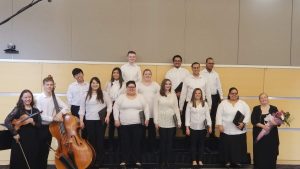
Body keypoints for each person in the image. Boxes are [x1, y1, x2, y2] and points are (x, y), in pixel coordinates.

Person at [36, 75, 69, 169]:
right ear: (43, 85)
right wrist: (53, 118)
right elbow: (39, 116)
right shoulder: (38, 98)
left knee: (46, 151)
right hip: (39, 127)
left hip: (50, 128)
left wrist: (60, 114)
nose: (50, 86)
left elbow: (66, 107)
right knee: (38, 151)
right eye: (48, 84)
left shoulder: (55, 97)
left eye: (51, 85)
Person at [113, 80, 149, 167]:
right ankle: (124, 160)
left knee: (136, 143)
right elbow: (115, 108)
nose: (131, 89)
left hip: (138, 124)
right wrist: (116, 119)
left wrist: (147, 118)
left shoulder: (140, 97)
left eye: (133, 87)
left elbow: (146, 107)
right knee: (124, 143)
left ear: (135, 88)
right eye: (130, 87)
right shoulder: (121, 97)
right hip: (124, 125)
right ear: (126, 88)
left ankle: (137, 160)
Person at [79, 77, 112, 167]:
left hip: (100, 121)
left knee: (100, 141)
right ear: (90, 84)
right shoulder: (85, 95)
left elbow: (110, 105)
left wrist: (108, 116)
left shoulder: (104, 94)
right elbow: (82, 109)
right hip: (89, 121)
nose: (95, 84)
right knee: (91, 141)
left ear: (99, 84)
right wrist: (81, 121)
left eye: (97, 83)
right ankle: (92, 160)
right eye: (93, 83)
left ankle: (100, 161)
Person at [4, 89, 41, 169]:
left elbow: (39, 125)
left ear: (32, 98)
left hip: (33, 140)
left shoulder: (36, 110)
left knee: (32, 161)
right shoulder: (18, 109)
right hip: (20, 139)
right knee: (18, 161)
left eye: (29, 97)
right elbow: (7, 121)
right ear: (22, 98)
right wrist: (15, 133)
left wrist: (32, 121)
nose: (28, 99)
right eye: (25, 97)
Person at [216, 87, 250, 168]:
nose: (234, 95)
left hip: (239, 131)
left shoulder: (243, 103)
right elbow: (218, 114)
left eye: (235, 93)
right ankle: (226, 161)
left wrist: (244, 123)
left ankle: (237, 161)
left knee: (237, 147)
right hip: (226, 130)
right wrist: (219, 125)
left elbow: (248, 113)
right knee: (226, 146)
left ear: (237, 94)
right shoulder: (223, 103)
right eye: (232, 93)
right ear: (229, 94)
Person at [154, 79, 181, 168]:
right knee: (162, 142)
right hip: (161, 121)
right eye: (166, 84)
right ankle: (162, 161)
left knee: (170, 142)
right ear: (163, 85)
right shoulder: (158, 95)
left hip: (171, 122)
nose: (168, 85)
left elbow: (176, 109)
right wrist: (156, 122)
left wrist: (179, 121)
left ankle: (168, 161)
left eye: (169, 84)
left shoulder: (173, 95)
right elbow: (155, 109)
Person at [179, 62, 212, 135]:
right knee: (187, 126)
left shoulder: (204, 78)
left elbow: (208, 93)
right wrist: (181, 107)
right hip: (189, 104)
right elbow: (183, 93)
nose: (196, 69)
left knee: (201, 126)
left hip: (202, 104)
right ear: (192, 68)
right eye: (194, 67)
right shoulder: (187, 79)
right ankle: (189, 144)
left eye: (197, 67)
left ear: (199, 68)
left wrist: (209, 106)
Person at [251, 93, 279, 169]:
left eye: (265, 97)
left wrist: (274, 123)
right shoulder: (256, 108)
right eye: (261, 98)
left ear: (268, 98)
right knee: (259, 154)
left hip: (271, 137)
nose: (263, 99)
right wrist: (263, 126)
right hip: (259, 136)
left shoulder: (274, 108)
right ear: (259, 100)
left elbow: (279, 121)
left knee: (271, 153)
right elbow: (253, 121)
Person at [185, 88, 212, 166]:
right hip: (192, 128)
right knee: (193, 144)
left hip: (202, 128)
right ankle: (194, 160)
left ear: (201, 94)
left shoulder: (205, 104)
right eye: (196, 93)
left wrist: (209, 126)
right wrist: (187, 127)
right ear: (194, 94)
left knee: (201, 144)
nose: (197, 94)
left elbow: (208, 116)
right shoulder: (189, 103)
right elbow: (187, 116)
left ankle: (200, 160)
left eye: (199, 93)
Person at [137, 69, 160, 152]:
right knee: (141, 132)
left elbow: (160, 96)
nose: (147, 75)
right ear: (143, 75)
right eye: (146, 74)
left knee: (152, 132)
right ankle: (142, 149)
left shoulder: (156, 85)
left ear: (151, 75)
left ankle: (152, 148)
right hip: (142, 113)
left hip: (152, 112)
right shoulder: (138, 85)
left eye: (149, 74)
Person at [201, 57, 223, 137]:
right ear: (206, 64)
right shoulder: (201, 73)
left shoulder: (216, 74)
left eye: (212, 63)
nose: (211, 65)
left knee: (213, 116)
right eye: (209, 63)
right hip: (205, 98)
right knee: (204, 116)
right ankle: (203, 134)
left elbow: (219, 86)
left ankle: (212, 134)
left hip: (214, 98)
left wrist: (221, 97)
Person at [105, 67, 125, 150]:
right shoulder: (109, 83)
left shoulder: (123, 83)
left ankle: (121, 146)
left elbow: (123, 95)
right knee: (111, 126)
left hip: (120, 106)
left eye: (117, 73)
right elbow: (106, 95)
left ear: (120, 74)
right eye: (114, 73)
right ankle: (111, 146)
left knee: (120, 126)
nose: (115, 74)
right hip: (111, 105)